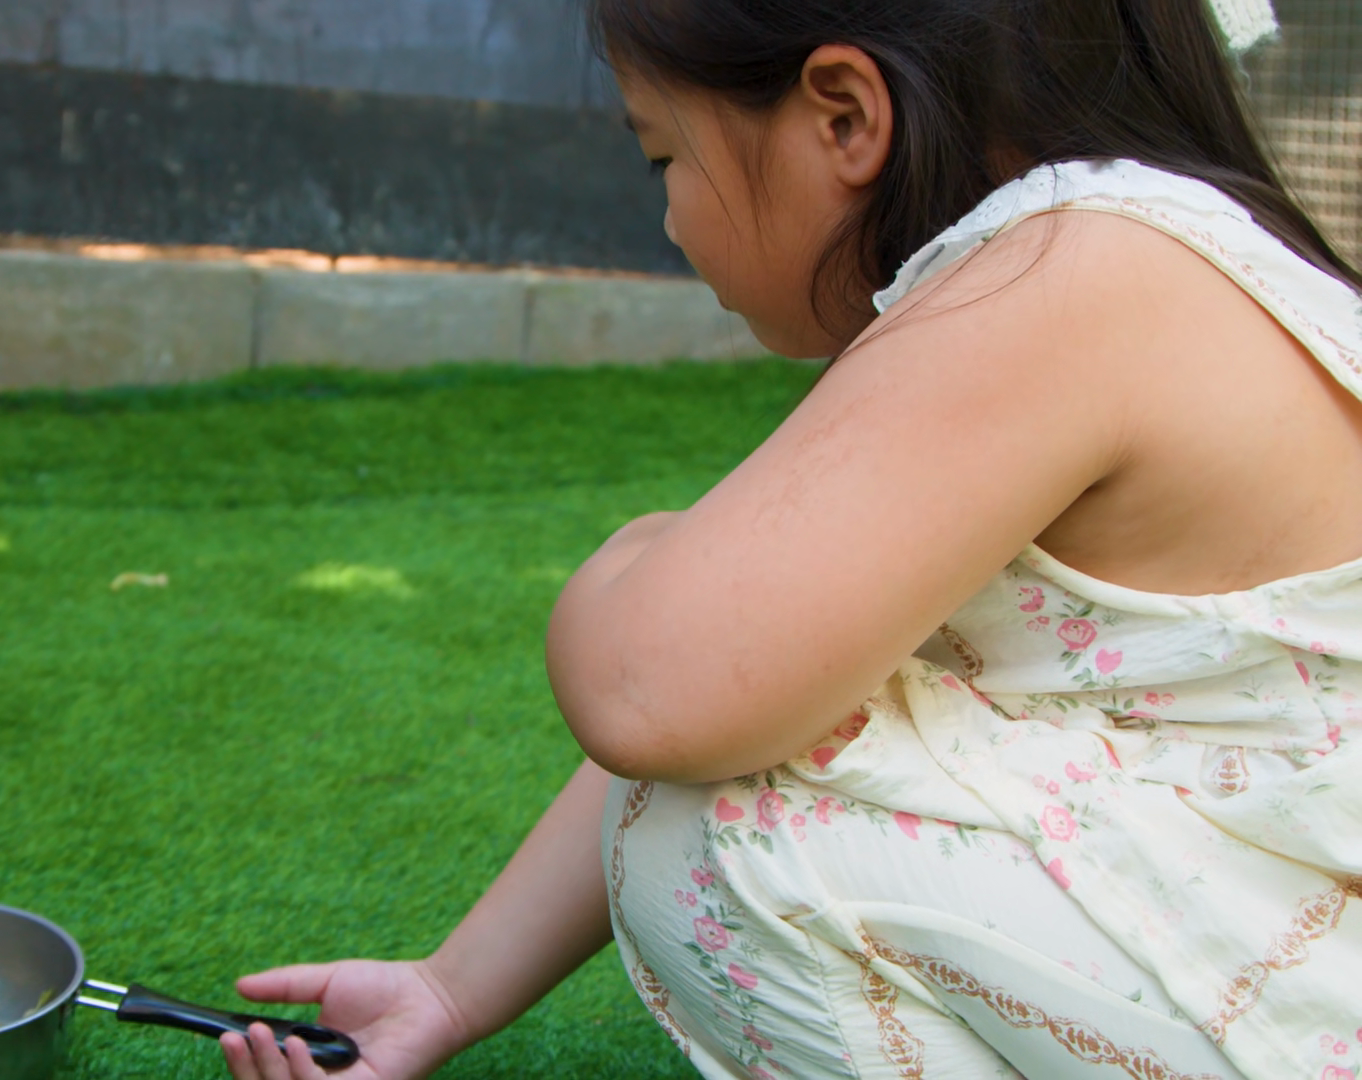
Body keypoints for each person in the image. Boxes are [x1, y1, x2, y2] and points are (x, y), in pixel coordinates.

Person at [221, 0, 1362, 1076]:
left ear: (845, 117)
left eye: (664, 156)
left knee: (724, 830)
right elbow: (776, 686)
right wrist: (450, 988)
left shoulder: (1070, 269)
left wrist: (644, 547)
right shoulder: (1132, 250)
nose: (669, 217)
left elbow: (658, 690)